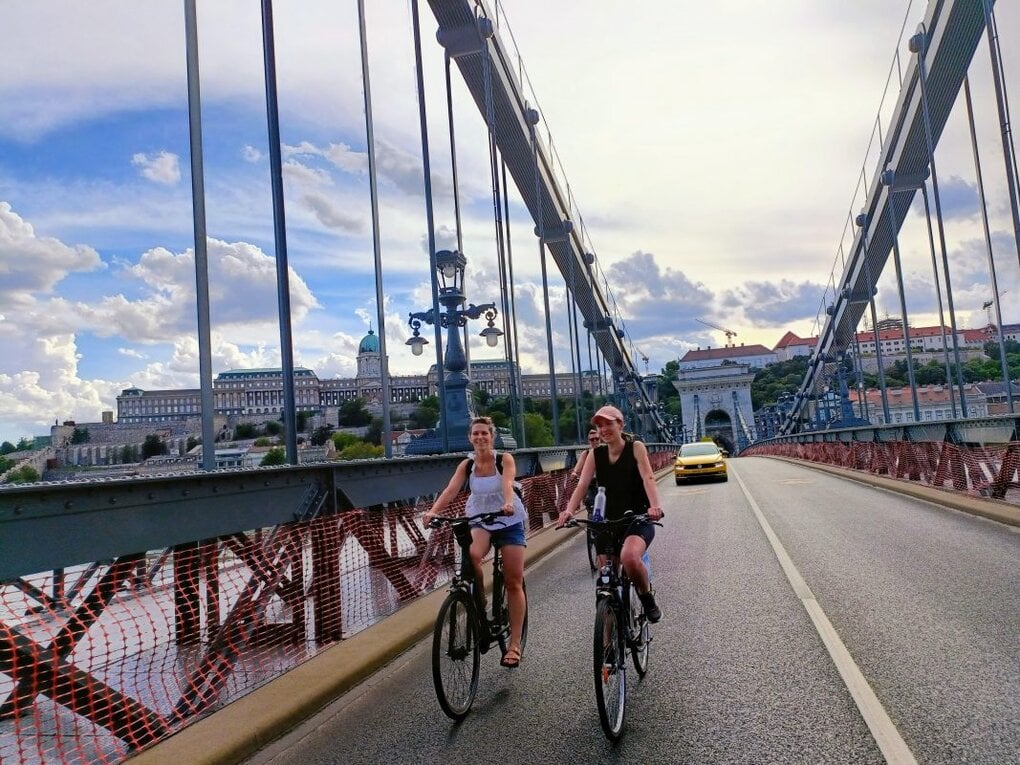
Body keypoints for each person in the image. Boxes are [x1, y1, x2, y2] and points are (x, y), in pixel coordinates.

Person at [423, 416, 528, 668]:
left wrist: (509, 502)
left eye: (485, 433)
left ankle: (514, 645)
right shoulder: (466, 466)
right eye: (476, 434)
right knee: (472, 555)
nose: (480, 437)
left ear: (492, 437)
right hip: (481, 518)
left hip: (508, 519)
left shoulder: (504, 460)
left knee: (514, 580)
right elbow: (450, 490)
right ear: (470, 438)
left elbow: (507, 481)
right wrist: (433, 511)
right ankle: (479, 601)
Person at [557, 405, 664, 622]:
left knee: (630, 558)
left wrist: (654, 506)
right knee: (605, 578)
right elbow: (582, 485)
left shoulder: (636, 447)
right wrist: (568, 511)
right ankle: (608, 643)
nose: (604, 429)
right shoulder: (595, 454)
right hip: (607, 522)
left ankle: (647, 598)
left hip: (636, 518)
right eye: (599, 425)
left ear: (621, 424)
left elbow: (648, 478)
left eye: (609, 423)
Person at [572, 428, 601, 511]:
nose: (595, 441)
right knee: (590, 502)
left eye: (597, 439)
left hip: (604, 483)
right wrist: (574, 473)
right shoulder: (586, 453)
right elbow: (579, 465)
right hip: (591, 484)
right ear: (589, 441)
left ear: (600, 439)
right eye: (592, 439)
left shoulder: (605, 451)